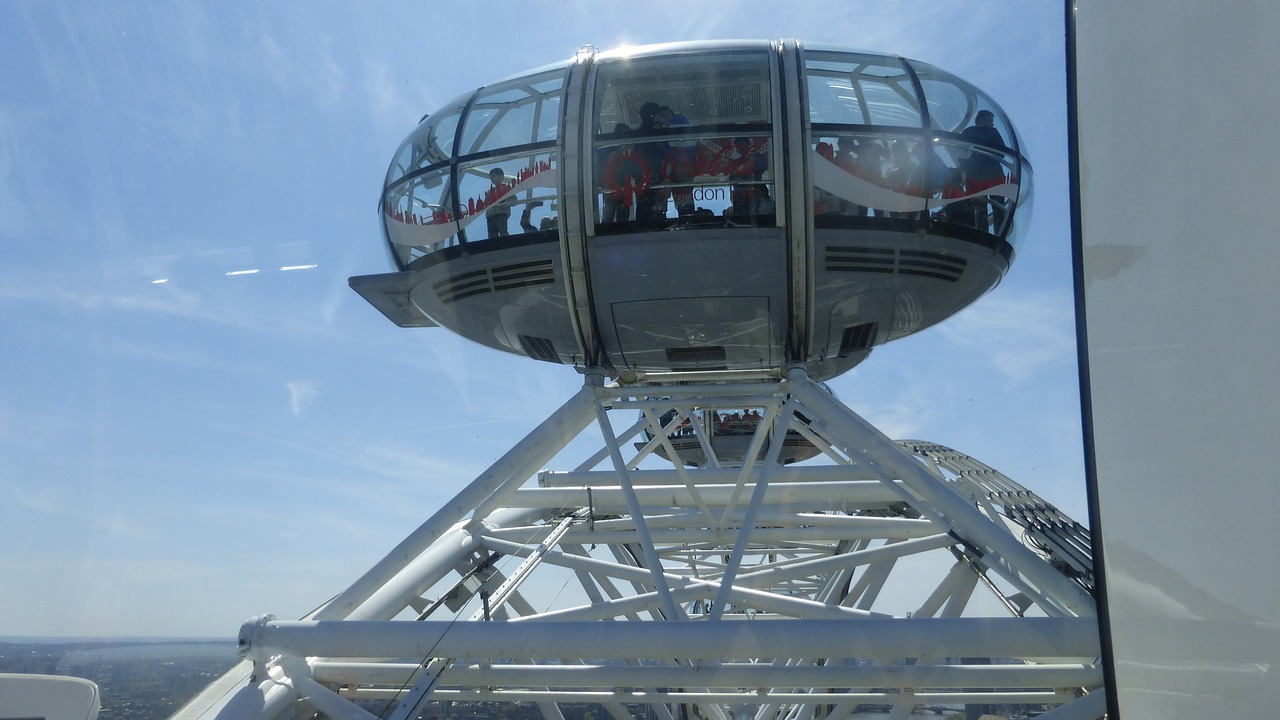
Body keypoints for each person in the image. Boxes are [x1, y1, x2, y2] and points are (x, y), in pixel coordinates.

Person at [959, 110, 1010, 232]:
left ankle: (985, 234)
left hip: (978, 174)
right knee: (991, 207)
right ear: (983, 117)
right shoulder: (991, 133)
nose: (992, 124)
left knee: (983, 207)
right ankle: (995, 234)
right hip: (990, 174)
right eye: (990, 120)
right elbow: (1001, 152)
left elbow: (961, 154)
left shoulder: (968, 132)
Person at [485, 168, 516, 238]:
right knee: (492, 234)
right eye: (491, 177)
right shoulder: (489, 192)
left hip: (501, 213)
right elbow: (485, 204)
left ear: (501, 176)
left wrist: (503, 203)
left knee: (503, 231)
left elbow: (514, 200)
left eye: (494, 176)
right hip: (491, 215)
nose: (492, 179)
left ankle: (505, 243)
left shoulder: (507, 188)